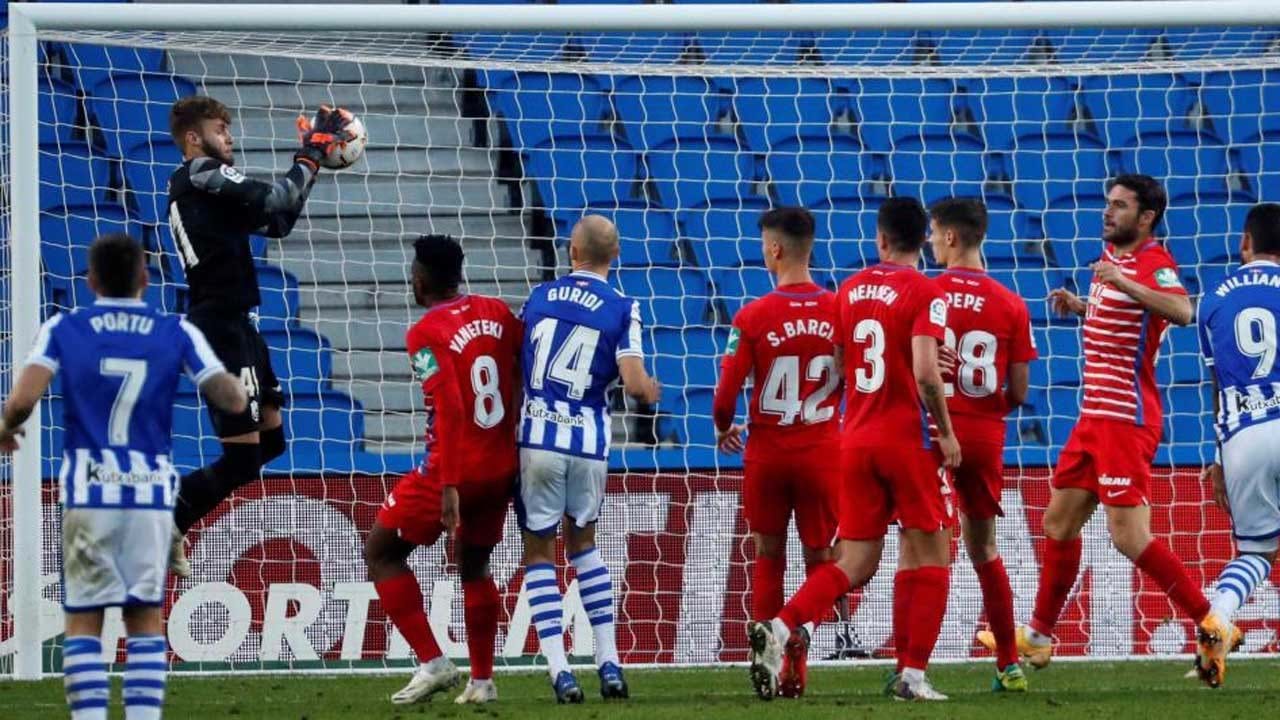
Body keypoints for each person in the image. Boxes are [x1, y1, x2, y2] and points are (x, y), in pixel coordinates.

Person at [982, 175, 1224, 676]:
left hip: (1124, 419)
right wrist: (1082, 306)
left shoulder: (1153, 263)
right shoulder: (1109, 261)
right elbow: (1121, 320)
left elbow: (1181, 310)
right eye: (1108, 203)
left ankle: (1211, 624)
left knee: (1128, 537)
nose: (1107, 212)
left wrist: (1126, 284)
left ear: (1146, 218)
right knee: (1059, 523)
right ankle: (1041, 636)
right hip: (1093, 417)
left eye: (1119, 206)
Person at [0, 233, 245, 720]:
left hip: (89, 491)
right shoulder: (174, 330)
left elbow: (23, 401)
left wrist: (7, 429)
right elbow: (231, 399)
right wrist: (231, 381)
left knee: (85, 620)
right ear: (145, 279)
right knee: (144, 618)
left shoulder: (63, 327)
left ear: (90, 281)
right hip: (149, 495)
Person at [747, 197, 961, 702]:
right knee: (932, 551)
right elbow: (928, 375)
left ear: (881, 239)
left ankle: (781, 625)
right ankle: (911, 676)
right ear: (919, 241)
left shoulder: (850, 288)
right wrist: (947, 432)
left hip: (855, 437)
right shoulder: (927, 292)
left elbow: (841, 364)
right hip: (905, 438)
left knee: (858, 559)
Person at [165, 95, 354, 575]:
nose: (229, 137)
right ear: (193, 138)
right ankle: (167, 518)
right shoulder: (199, 174)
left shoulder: (207, 191)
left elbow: (278, 220)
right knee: (244, 458)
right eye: (219, 129)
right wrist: (309, 155)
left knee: (271, 444)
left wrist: (309, 166)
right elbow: (274, 198)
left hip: (240, 324)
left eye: (229, 128)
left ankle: (173, 521)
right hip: (219, 324)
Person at [363, 235, 522, 706]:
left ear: (422, 277)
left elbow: (450, 406)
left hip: (451, 471)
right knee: (474, 565)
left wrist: (449, 483)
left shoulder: (425, 333)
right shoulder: (497, 311)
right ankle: (482, 681)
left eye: (414, 269)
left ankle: (433, 662)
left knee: (382, 552)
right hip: (500, 466)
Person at [517, 215, 661, 703]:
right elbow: (636, 383)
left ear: (571, 252)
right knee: (584, 545)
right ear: (614, 255)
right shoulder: (622, 307)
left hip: (538, 439)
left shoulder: (538, 298)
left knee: (540, 552)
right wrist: (651, 390)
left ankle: (560, 670)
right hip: (588, 445)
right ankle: (609, 661)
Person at [712, 206, 841, 698]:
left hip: (767, 452)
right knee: (822, 561)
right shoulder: (839, 310)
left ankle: (766, 650)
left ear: (775, 249)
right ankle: (796, 671)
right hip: (823, 450)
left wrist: (725, 428)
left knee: (768, 555)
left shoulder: (752, 316)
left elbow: (724, 397)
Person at [928, 198, 1036, 693]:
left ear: (951, 237)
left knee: (921, 551)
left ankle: (913, 665)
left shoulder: (928, 294)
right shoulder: (1011, 302)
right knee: (985, 549)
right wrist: (985, 410)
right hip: (984, 433)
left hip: (933, 429)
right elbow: (1018, 391)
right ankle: (1009, 665)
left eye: (934, 233)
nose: (930, 241)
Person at [1194, 202, 1280, 687]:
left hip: (1243, 433)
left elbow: (1217, 384)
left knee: (1255, 553)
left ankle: (1219, 619)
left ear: (1246, 242)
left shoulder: (1213, 299)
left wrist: (1220, 456)